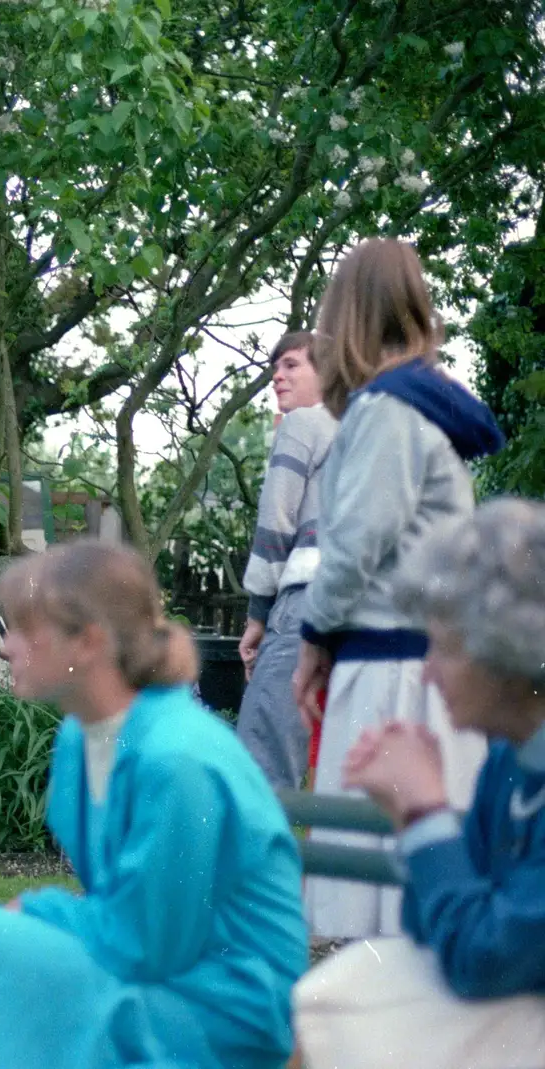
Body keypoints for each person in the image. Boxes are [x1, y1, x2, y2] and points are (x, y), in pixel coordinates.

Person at [0, 540, 307, 1069]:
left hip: (220, 1004)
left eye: (26, 631)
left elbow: (155, 943)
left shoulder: (178, 759)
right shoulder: (81, 737)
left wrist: (36, 912)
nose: (7, 647)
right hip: (148, 967)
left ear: (87, 643)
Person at [291, 238, 505, 940]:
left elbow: (353, 546)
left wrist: (313, 638)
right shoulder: (424, 408)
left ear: (344, 314)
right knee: (407, 897)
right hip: (423, 669)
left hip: (391, 673)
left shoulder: (385, 411)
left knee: (381, 902)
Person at [292, 498, 545, 1069]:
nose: (427, 672)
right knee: (331, 999)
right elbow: (435, 927)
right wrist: (412, 819)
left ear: (508, 652)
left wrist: (428, 813)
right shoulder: (511, 761)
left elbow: (487, 961)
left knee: (333, 1011)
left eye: (445, 648)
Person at [234, 332, 339, 789]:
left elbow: (276, 519)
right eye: (275, 367)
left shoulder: (301, 424)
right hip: (357, 600)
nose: (277, 376)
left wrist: (258, 613)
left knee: (263, 751)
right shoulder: (361, 432)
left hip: (306, 600)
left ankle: (247, 858)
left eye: (292, 365)